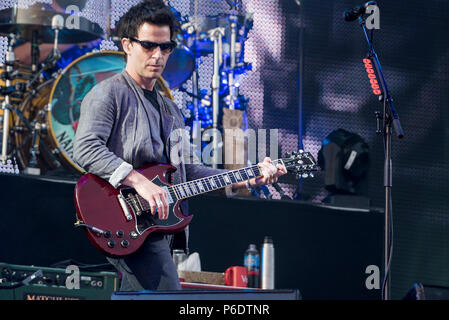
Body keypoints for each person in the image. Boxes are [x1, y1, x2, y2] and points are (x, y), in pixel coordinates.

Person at [73, 0, 286, 291]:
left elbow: (186, 171)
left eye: (165, 47)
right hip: (122, 217)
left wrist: (245, 177)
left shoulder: (171, 110)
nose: (158, 55)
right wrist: (137, 181)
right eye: (148, 45)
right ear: (127, 45)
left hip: (155, 227)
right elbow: (85, 147)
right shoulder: (108, 94)